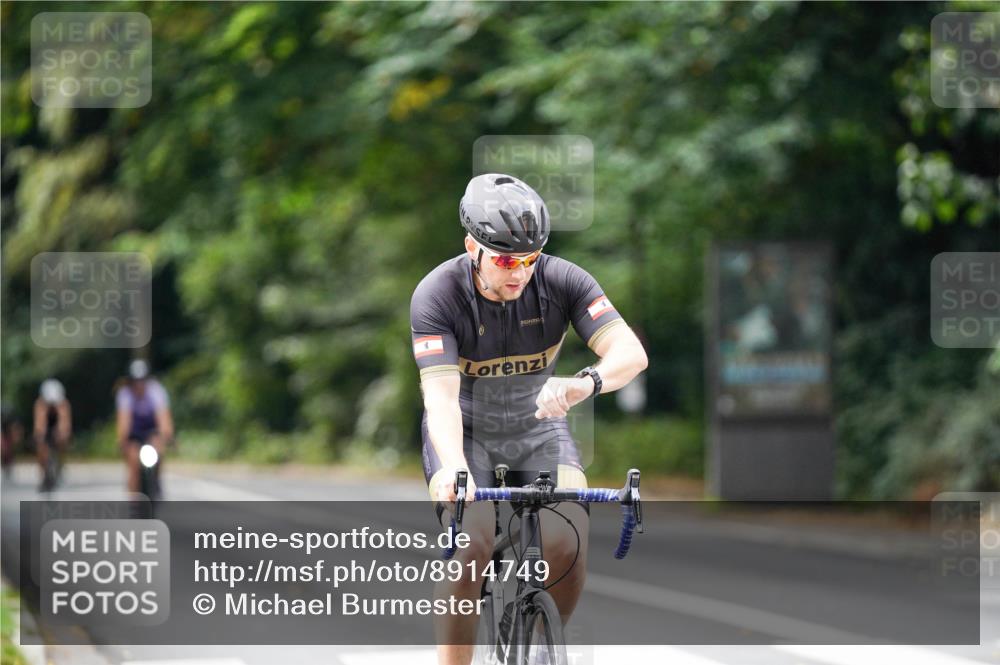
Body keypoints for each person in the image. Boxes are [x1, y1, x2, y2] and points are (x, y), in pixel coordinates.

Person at [410, 173, 648, 665]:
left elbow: (629, 352)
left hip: (538, 428)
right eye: (504, 259)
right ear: (471, 246)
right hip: (467, 432)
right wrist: (453, 466)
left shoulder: (564, 280)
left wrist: (586, 382)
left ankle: (543, 645)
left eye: (530, 258)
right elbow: (440, 396)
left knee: (568, 539)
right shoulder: (438, 294)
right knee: (470, 544)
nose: (518, 271)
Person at [116, 359, 174, 494]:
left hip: (152, 430)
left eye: (142, 380)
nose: (139, 384)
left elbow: (163, 417)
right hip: (134, 432)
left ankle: (156, 480)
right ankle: (135, 496)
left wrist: (166, 435)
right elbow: (124, 420)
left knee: (158, 449)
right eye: (135, 381)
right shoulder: (125, 394)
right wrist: (123, 440)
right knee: (133, 460)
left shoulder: (156, 391)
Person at [33, 378, 72, 491]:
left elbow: (65, 424)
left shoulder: (63, 404)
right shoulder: (39, 404)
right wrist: (40, 437)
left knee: (62, 442)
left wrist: (62, 434)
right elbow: (39, 425)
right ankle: (43, 475)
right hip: (46, 425)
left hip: (57, 425)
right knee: (41, 447)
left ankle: (60, 467)